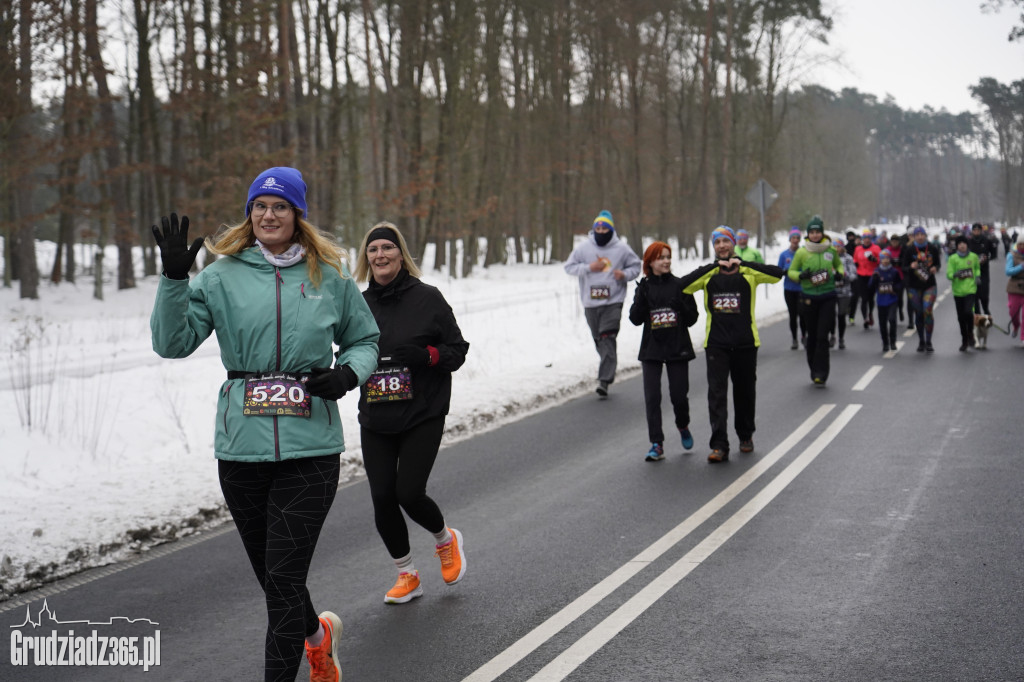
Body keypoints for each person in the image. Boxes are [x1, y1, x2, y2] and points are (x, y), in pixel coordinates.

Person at [150, 167, 381, 682]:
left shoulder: (331, 275)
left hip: (311, 448)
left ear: (297, 215)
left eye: (279, 207)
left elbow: (366, 340)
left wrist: (347, 374)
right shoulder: (221, 274)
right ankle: (319, 639)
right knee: (275, 579)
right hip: (241, 449)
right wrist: (171, 281)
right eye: (259, 206)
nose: (268, 215)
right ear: (249, 213)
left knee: (281, 579)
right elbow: (172, 343)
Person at [353, 222, 470, 605]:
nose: (380, 255)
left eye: (387, 248)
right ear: (365, 259)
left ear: (401, 254)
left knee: (408, 492)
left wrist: (428, 356)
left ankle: (444, 539)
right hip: (376, 415)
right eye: (373, 250)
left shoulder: (428, 298)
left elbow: (457, 349)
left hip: (422, 410)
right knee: (383, 496)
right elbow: (345, 349)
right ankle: (407, 575)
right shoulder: (359, 304)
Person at [680, 226, 784, 462]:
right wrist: (713, 267)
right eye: (717, 243)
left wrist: (742, 264)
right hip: (716, 344)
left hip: (746, 343)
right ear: (714, 247)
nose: (722, 247)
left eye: (726, 242)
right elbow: (683, 286)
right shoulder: (709, 274)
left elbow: (777, 273)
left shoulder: (748, 272)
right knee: (716, 395)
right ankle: (719, 445)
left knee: (745, 392)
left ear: (734, 244)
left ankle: (745, 435)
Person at [629, 241, 700, 461]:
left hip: (677, 347)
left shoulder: (681, 285)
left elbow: (692, 319)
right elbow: (634, 319)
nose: (667, 261)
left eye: (668, 256)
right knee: (652, 397)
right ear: (650, 262)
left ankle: (682, 425)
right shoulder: (645, 287)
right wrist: (640, 298)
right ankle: (656, 444)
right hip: (652, 349)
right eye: (661, 257)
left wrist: (682, 307)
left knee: (679, 396)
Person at [564, 210, 643, 398]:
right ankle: (608, 364)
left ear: (610, 229)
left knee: (607, 336)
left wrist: (623, 275)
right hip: (591, 302)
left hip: (613, 301)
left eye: (604, 228)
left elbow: (635, 267)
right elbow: (569, 267)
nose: (600, 231)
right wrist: (589, 268)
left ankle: (604, 380)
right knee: (599, 338)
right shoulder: (584, 249)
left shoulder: (621, 249)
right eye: (597, 228)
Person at [787, 216, 844, 386]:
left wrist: (839, 273)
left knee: (822, 336)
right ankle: (813, 368)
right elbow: (791, 272)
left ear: (822, 232)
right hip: (809, 298)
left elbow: (838, 265)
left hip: (828, 296)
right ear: (808, 234)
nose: (814, 235)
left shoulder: (830, 250)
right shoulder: (802, 252)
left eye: (817, 232)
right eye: (811, 232)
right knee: (811, 336)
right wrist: (800, 276)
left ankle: (822, 372)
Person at [900, 226, 941, 352]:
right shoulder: (909, 249)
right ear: (914, 236)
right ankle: (921, 341)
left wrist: (935, 268)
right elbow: (903, 267)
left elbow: (938, 263)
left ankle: (929, 341)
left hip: (929, 285)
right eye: (917, 235)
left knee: (927, 311)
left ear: (925, 235)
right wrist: (911, 266)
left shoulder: (932, 248)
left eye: (922, 234)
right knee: (918, 314)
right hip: (914, 286)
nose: (920, 237)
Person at [947, 235, 981, 351]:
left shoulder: (973, 257)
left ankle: (970, 333)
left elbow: (976, 268)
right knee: (961, 317)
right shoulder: (953, 258)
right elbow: (949, 274)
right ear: (956, 246)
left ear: (967, 245)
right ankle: (964, 339)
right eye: (959, 243)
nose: (962, 245)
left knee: (968, 312)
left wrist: (977, 276)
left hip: (970, 289)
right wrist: (954, 275)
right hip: (958, 291)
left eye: (964, 243)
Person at [867, 250, 904, 352]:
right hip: (881, 301)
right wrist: (874, 279)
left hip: (892, 299)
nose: (885, 261)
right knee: (882, 323)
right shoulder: (877, 271)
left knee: (892, 320)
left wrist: (895, 289)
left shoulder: (894, 271)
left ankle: (893, 341)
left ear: (890, 259)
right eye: (883, 258)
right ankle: (885, 343)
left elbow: (900, 284)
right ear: (880, 259)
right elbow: (870, 286)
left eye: (887, 258)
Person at [777, 227, 805, 349]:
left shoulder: (803, 253)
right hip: (789, 289)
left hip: (802, 289)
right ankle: (794, 339)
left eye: (797, 238)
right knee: (793, 315)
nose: (795, 240)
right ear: (790, 239)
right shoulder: (784, 255)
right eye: (793, 238)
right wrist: (784, 271)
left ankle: (804, 337)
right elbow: (778, 271)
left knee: (803, 314)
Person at [853, 228, 881, 328]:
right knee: (863, 298)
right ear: (862, 239)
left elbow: (881, 261)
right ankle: (865, 318)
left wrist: (874, 259)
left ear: (871, 239)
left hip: (872, 276)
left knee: (870, 298)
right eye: (865, 238)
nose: (867, 240)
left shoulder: (876, 248)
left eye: (868, 238)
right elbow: (855, 258)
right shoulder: (858, 249)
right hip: (861, 275)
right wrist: (855, 263)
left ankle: (870, 314)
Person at [968, 222, 997, 315]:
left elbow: (993, 254)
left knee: (984, 295)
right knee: (974, 296)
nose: (976, 232)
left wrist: (986, 258)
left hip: (984, 272)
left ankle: (986, 310)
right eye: (974, 230)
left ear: (981, 231)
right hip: (971, 273)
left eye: (978, 230)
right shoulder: (969, 242)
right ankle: (977, 315)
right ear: (972, 231)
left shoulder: (986, 241)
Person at [831, 241, 855, 350]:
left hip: (844, 291)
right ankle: (832, 336)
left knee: (841, 315)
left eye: (838, 246)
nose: (836, 248)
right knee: (830, 315)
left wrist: (844, 275)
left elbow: (854, 275)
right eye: (834, 246)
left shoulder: (848, 258)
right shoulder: (828, 258)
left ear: (842, 247)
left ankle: (841, 338)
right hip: (830, 291)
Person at [1006, 239, 1024, 347]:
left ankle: (1023, 337)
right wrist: (1020, 267)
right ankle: (1016, 326)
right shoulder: (1011, 255)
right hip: (1014, 286)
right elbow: (1008, 271)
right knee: (1014, 313)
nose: (1022, 246)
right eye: (1020, 244)